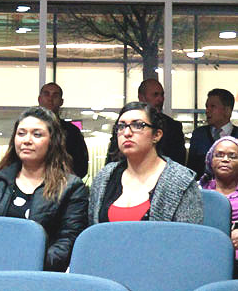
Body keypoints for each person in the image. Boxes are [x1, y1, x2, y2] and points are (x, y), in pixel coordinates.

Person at [0, 106, 89, 272]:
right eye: (21, 133)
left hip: (40, 275)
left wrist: (28, 263)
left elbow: (67, 242)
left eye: (37, 134)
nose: (26, 140)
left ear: (52, 141)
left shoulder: (71, 187)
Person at [90, 101, 202, 225]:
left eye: (138, 125)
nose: (127, 133)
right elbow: (93, 234)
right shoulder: (104, 177)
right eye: (121, 126)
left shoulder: (181, 181)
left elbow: (189, 238)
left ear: (157, 135)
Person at [106, 79, 186, 165]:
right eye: (155, 95)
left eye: (162, 95)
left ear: (157, 134)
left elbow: (178, 160)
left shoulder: (173, 127)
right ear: (141, 97)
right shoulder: (123, 125)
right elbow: (113, 156)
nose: (160, 99)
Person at [199, 136, 238, 274]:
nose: (225, 160)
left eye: (232, 156)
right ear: (210, 160)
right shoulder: (196, 191)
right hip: (203, 256)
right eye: (219, 155)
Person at [38, 82, 89, 178]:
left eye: (55, 95)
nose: (50, 98)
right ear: (39, 99)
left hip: (63, 185)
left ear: (61, 101)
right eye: (46, 94)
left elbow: (82, 166)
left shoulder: (72, 132)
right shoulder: (29, 128)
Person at [188, 88, 238, 179]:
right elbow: (191, 169)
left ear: (227, 110)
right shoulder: (199, 134)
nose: (207, 110)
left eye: (213, 106)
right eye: (207, 106)